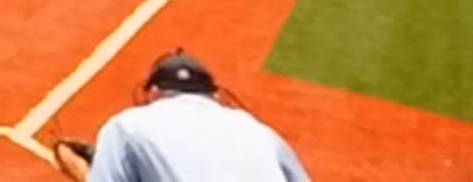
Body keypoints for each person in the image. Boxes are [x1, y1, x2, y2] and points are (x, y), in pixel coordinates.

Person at [53, 50, 310, 181]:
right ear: (215, 96)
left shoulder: (126, 127)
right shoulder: (262, 134)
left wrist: (79, 170)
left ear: (153, 93)